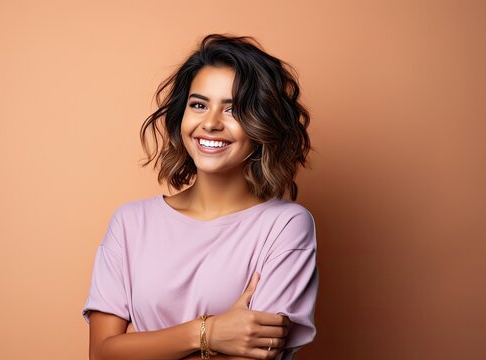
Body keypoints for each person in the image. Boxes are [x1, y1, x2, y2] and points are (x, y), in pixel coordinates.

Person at [82, 33, 319, 360]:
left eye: (233, 109)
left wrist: (141, 349)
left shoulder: (286, 226)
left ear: (262, 124)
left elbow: (258, 357)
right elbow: (101, 354)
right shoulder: (130, 223)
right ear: (182, 115)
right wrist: (208, 333)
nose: (210, 123)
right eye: (199, 104)